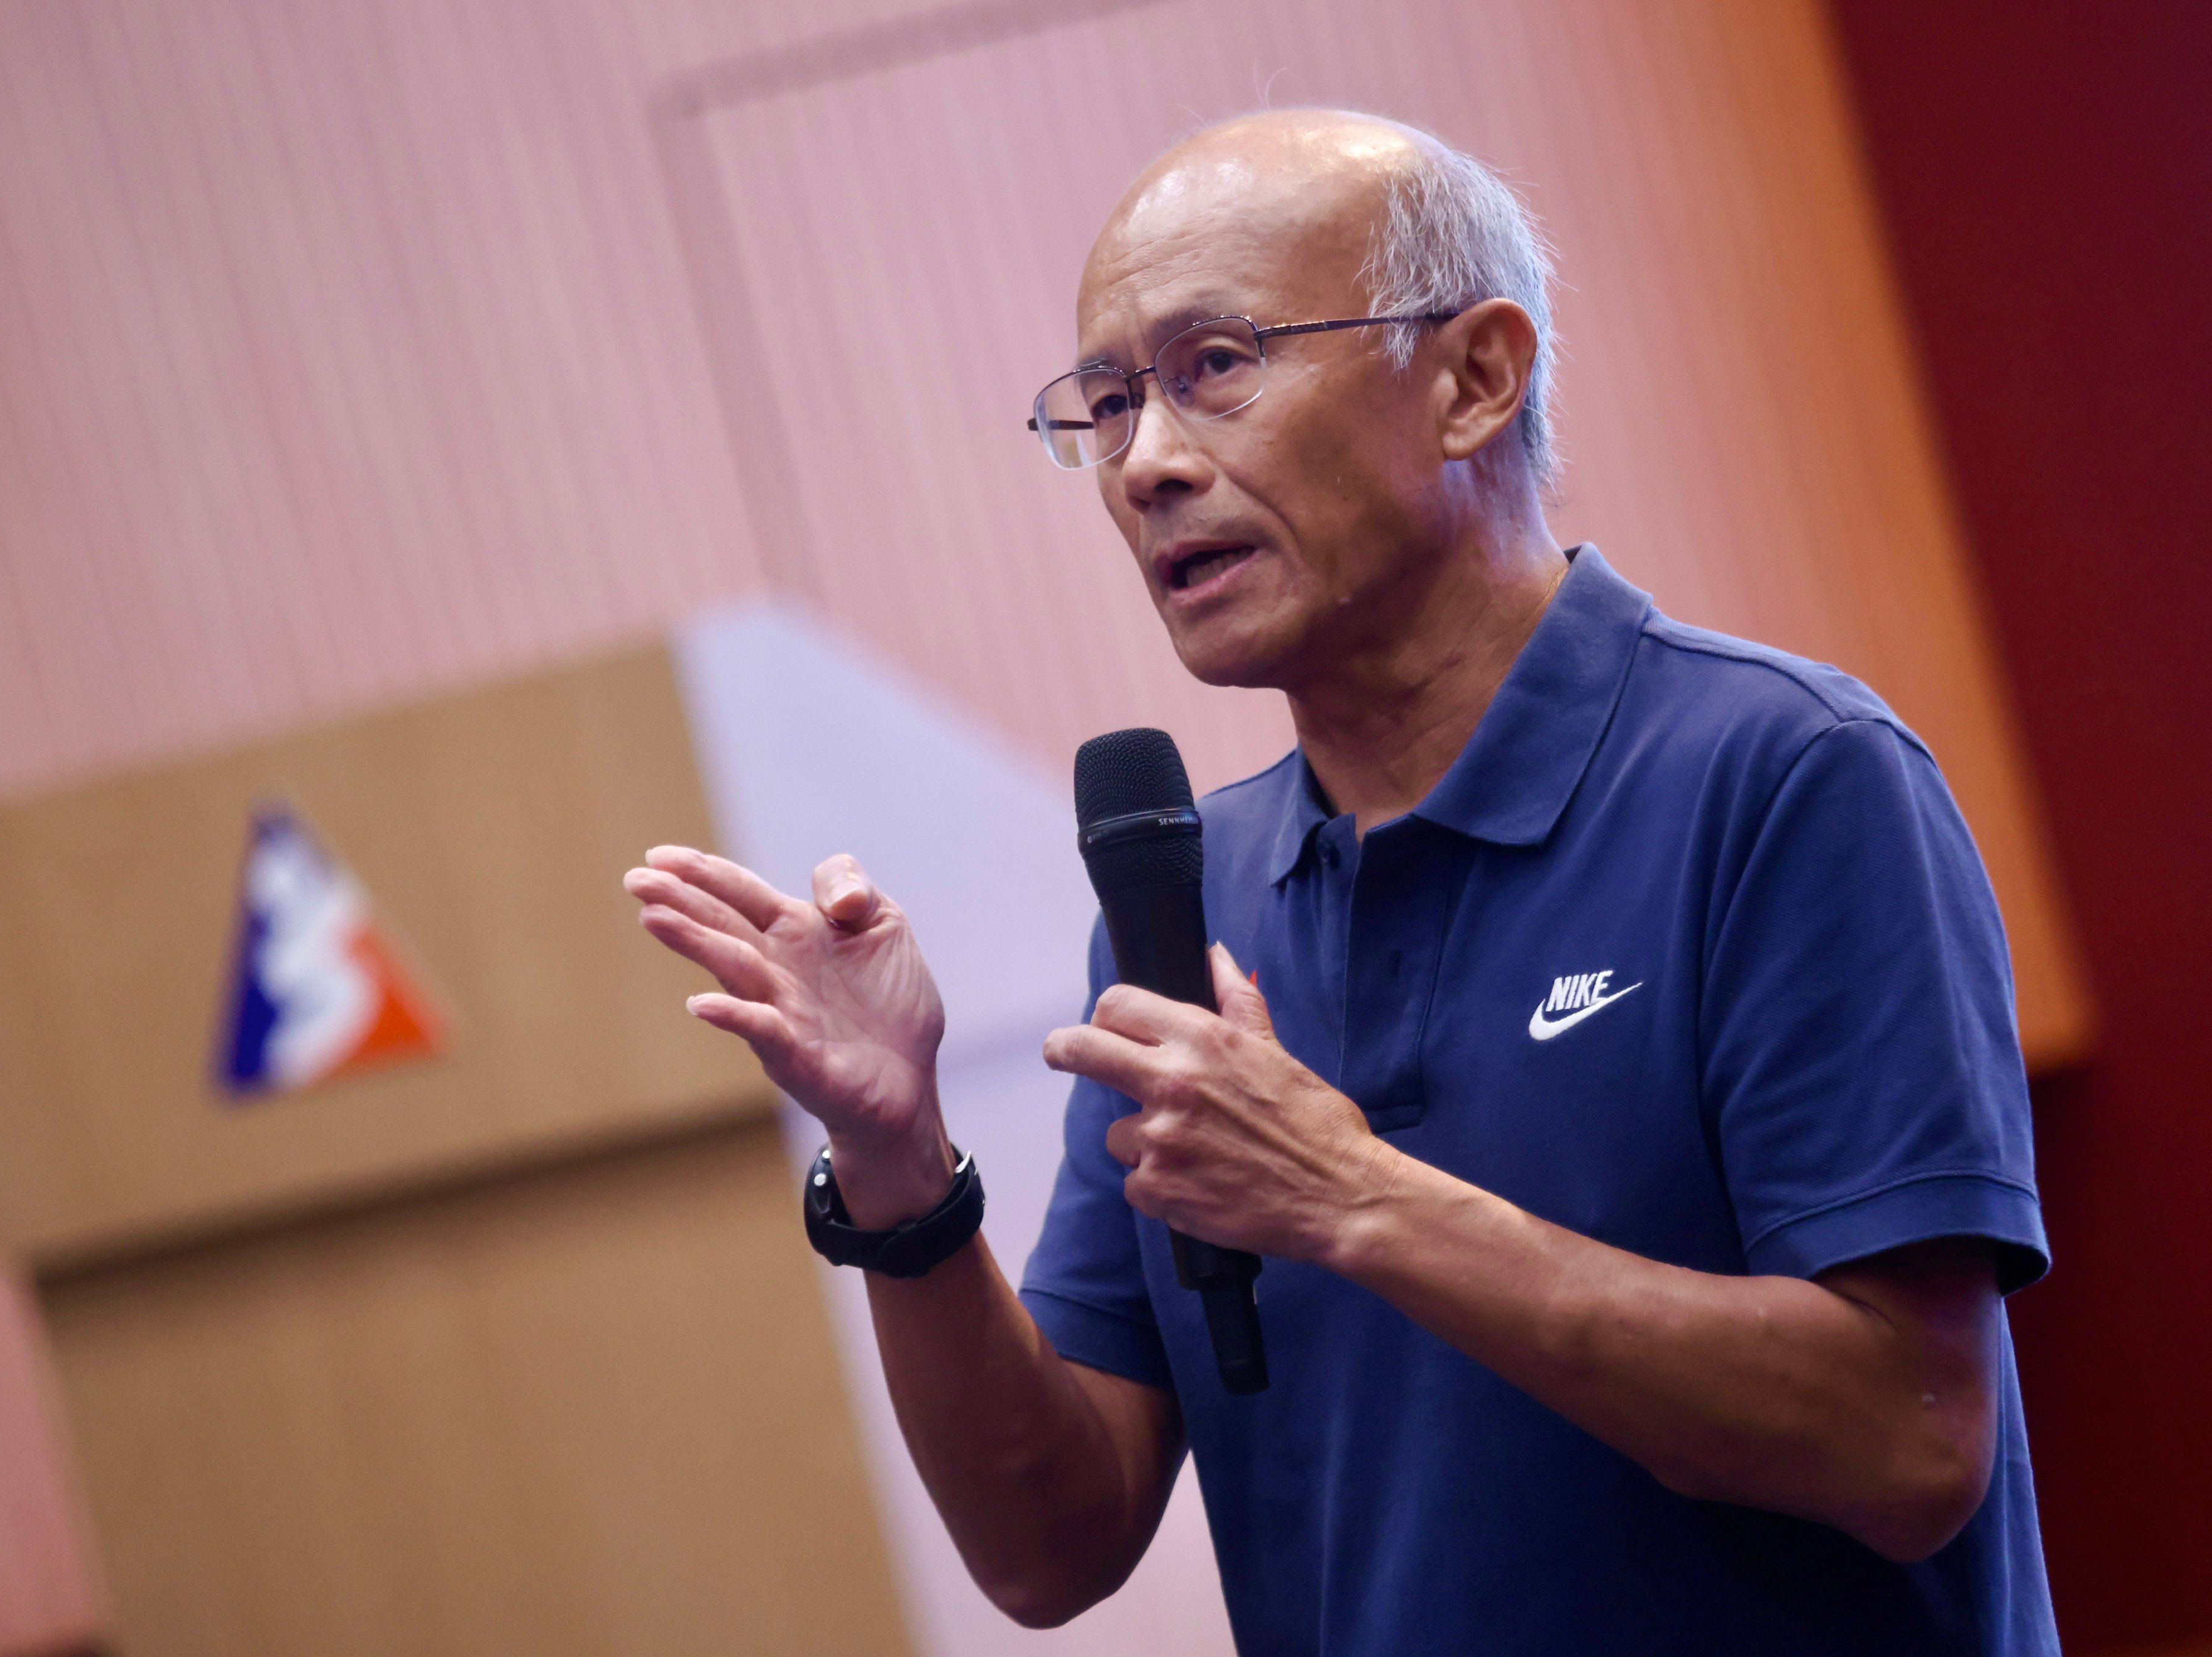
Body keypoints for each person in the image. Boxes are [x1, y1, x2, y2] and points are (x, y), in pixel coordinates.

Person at [622, 109, 2053, 1655]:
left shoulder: (1784, 776)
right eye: (1104, 403)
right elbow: (1051, 1546)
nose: (1148, 462)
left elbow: (1905, 1445)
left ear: (1471, 378)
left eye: (1215, 366)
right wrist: (897, 1172)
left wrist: (1349, 1197)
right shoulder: (1189, 899)